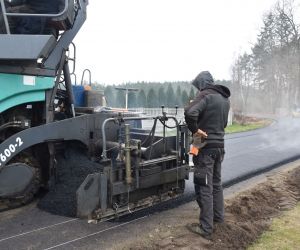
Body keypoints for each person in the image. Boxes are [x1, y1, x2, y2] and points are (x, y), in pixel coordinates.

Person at [184, 71, 231, 240]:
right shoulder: (224, 98)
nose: (197, 90)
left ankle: (206, 228)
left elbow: (189, 112)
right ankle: (218, 218)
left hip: (205, 148)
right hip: (220, 147)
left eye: (198, 87)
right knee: (216, 184)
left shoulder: (205, 95)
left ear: (202, 84)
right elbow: (224, 123)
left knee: (204, 186)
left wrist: (195, 130)